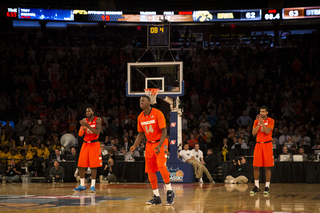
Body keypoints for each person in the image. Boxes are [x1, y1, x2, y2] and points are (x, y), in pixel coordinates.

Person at [130, 96, 175, 205]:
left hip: (161, 142)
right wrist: (134, 145)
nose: (141, 102)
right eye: (140, 101)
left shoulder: (157, 113)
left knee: (161, 166)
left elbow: (164, 131)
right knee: (150, 171)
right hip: (149, 144)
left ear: (149, 102)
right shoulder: (140, 117)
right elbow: (141, 134)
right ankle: (157, 197)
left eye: (143, 100)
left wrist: (159, 146)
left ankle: (169, 192)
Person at [73, 107, 102, 193]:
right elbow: (80, 134)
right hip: (85, 144)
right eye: (86, 111)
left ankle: (92, 186)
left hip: (94, 144)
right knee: (81, 165)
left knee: (93, 166)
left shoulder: (98, 120)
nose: (87, 112)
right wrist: (84, 128)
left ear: (93, 112)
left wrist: (88, 126)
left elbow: (97, 132)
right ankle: (82, 185)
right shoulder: (84, 120)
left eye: (89, 111)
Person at [250, 106, 274, 195]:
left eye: (263, 111)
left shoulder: (271, 120)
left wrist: (262, 123)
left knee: (267, 167)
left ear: (267, 112)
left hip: (267, 144)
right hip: (258, 144)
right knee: (256, 166)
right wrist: (259, 124)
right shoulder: (256, 121)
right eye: (260, 111)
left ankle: (267, 187)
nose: (262, 113)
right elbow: (253, 133)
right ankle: (256, 186)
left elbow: (267, 131)